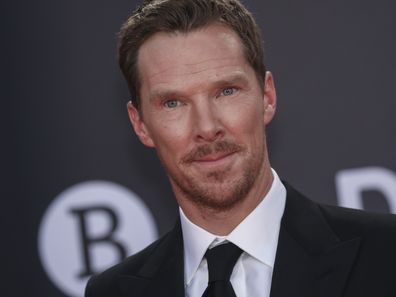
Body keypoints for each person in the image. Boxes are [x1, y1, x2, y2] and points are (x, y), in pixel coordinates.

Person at [85, 0, 396, 296]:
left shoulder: (385, 255)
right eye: (173, 103)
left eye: (226, 91)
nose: (207, 127)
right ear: (140, 124)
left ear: (267, 96)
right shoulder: (112, 293)